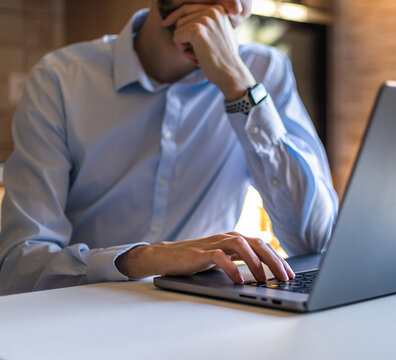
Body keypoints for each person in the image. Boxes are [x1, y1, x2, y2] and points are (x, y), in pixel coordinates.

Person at [0, 0, 338, 295]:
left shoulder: (262, 71)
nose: (236, 7)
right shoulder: (60, 79)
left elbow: (316, 242)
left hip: (202, 318)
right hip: (79, 321)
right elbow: (18, 269)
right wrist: (139, 259)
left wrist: (239, 86)